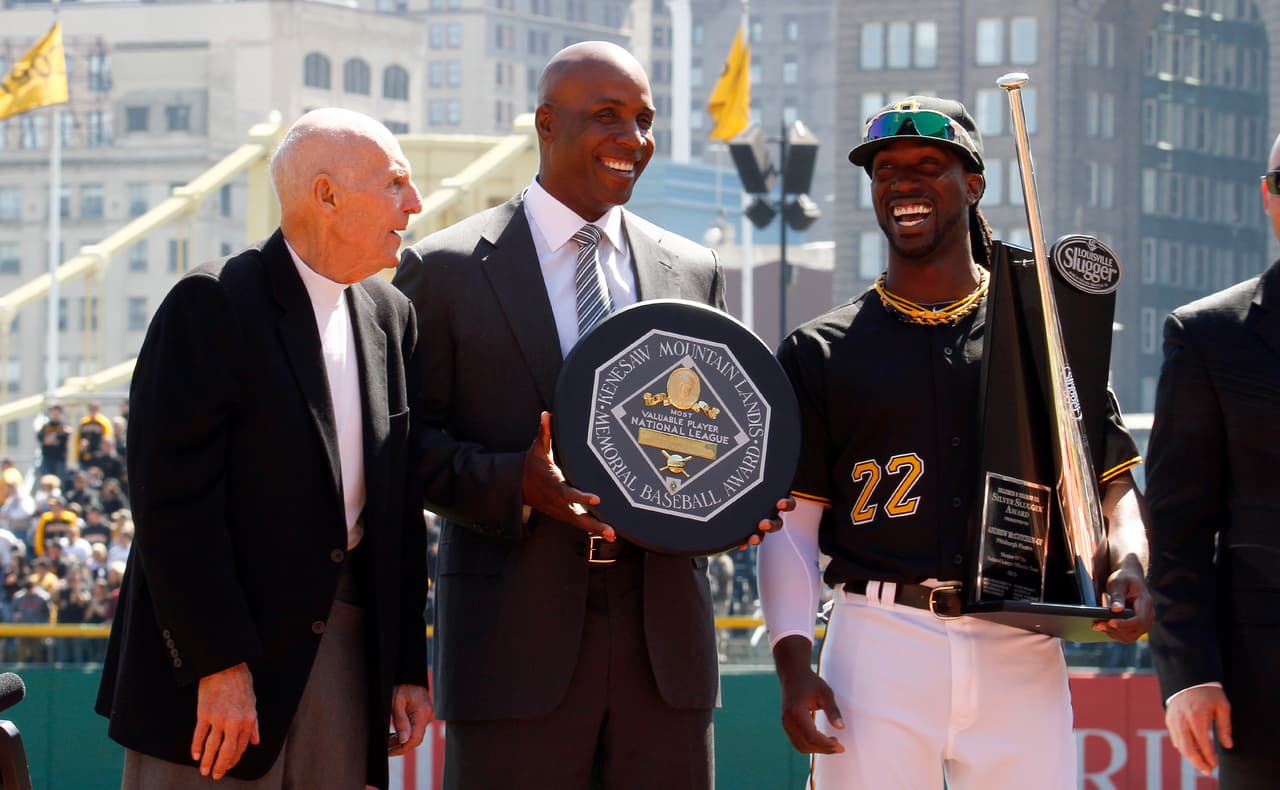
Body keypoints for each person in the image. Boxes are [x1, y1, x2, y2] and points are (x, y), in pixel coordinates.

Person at [394, 41, 784, 790]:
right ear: (545, 124)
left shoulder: (690, 269)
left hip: (664, 658)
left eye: (644, 119)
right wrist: (516, 484)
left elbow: (714, 434)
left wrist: (737, 500)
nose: (633, 139)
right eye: (607, 116)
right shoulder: (442, 269)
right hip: (512, 654)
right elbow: (405, 450)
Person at [758, 96, 1154, 789]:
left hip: (1020, 637)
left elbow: (1113, 485)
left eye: (928, 166)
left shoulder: (1040, 326)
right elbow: (793, 528)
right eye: (885, 171)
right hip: (878, 639)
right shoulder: (818, 350)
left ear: (972, 184)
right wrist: (794, 665)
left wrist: (1130, 563)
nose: (903, 184)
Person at [95, 108, 432, 789]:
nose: (415, 203)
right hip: (213, 677)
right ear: (326, 195)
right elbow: (171, 508)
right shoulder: (210, 303)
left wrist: (403, 668)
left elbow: (398, 511)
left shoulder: (392, 318)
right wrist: (218, 666)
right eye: (395, 182)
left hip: (342, 661)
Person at [1145, 131, 1280, 788]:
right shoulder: (1208, 337)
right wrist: (1188, 674)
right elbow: (1177, 528)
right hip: (1264, 696)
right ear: (1266, 197)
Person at [35, 404, 70, 479]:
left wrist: (51, 437)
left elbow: (62, 439)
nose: (54, 414)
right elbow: (43, 439)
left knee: (60, 481)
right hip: (47, 458)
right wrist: (56, 435)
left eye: (56, 412)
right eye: (53, 412)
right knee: (46, 480)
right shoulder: (46, 426)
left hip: (59, 459)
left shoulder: (64, 426)